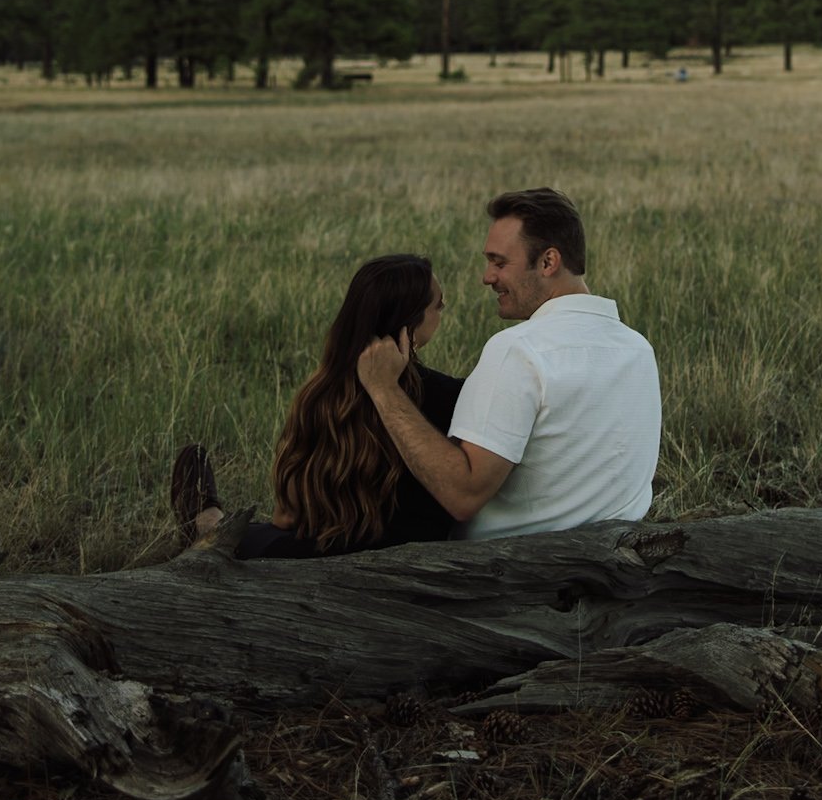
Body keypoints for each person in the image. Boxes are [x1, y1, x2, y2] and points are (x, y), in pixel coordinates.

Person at [357, 187, 660, 541]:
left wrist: (384, 390)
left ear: (548, 262)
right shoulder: (638, 350)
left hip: (507, 575)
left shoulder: (520, 350)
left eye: (500, 262)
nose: (487, 277)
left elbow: (462, 496)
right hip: (615, 564)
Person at [171, 254, 458, 557]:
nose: (443, 310)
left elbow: (286, 517)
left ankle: (207, 523)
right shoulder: (451, 397)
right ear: (410, 322)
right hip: (415, 567)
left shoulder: (323, 395)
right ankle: (211, 526)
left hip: (320, 562)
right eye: (439, 304)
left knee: (248, 538)